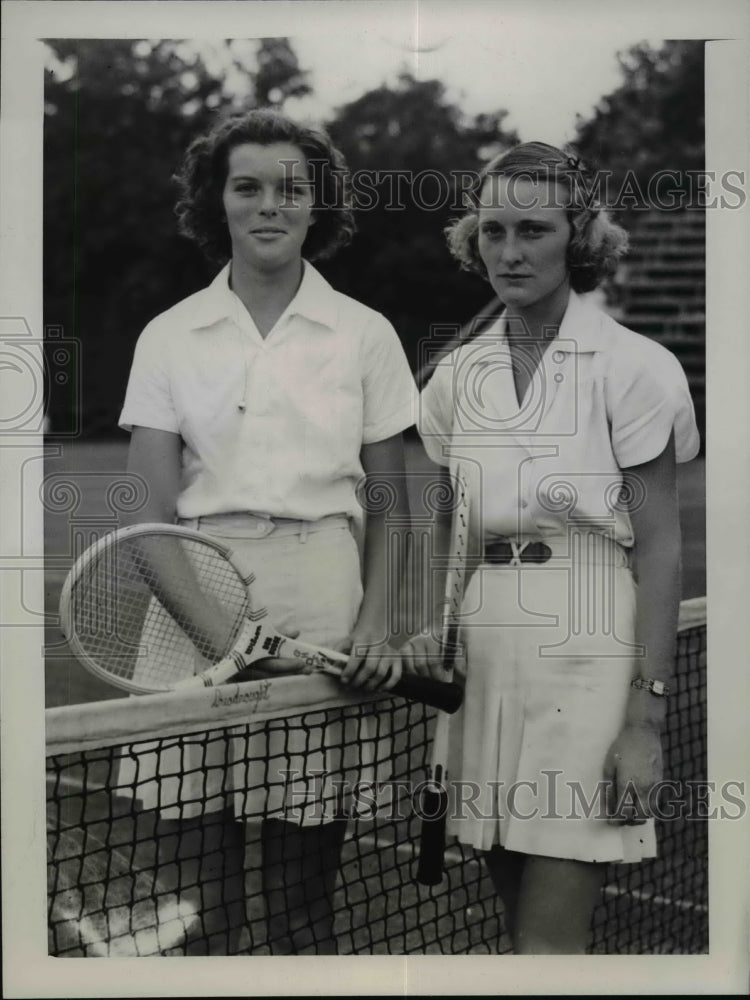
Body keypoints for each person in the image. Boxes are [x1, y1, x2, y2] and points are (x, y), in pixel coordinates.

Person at [117, 108, 417, 954]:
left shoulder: (366, 333)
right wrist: (232, 641)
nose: (269, 205)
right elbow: (149, 523)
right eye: (246, 186)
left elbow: (392, 506)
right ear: (218, 202)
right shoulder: (169, 335)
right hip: (192, 607)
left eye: (291, 188)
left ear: (318, 204)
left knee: (299, 914)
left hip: (319, 591)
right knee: (198, 919)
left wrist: (373, 626)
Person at [407, 142, 700, 954]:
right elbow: (449, 524)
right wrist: (438, 626)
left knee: (548, 945)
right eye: (492, 229)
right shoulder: (455, 376)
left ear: (577, 234)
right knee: (520, 934)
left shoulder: (637, 368)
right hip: (485, 650)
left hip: (590, 643)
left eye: (533, 229)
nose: (509, 250)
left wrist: (645, 721)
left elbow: (661, 549)